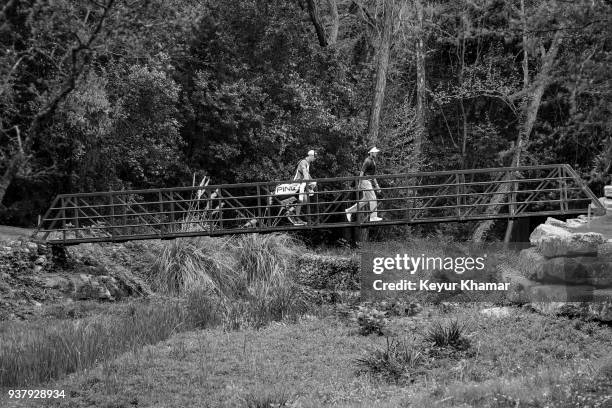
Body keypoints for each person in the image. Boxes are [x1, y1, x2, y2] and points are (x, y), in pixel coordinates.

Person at [345, 147, 383, 222]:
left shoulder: (372, 162)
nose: (376, 153)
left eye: (376, 152)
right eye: (375, 152)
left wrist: (377, 185)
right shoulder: (367, 161)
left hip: (367, 182)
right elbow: (361, 173)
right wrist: (359, 184)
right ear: (371, 153)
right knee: (373, 198)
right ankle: (373, 217)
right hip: (365, 181)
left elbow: (373, 176)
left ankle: (349, 211)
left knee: (366, 200)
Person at [292, 149, 317, 224]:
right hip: (297, 183)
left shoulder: (307, 163)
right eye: (314, 157)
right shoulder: (303, 162)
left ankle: (292, 212)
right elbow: (305, 174)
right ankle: (295, 216)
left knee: (305, 201)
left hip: (302, 184)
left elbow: (308, 176)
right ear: (310, 156)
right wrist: (310, 183)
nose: (315, 159)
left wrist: (312, 183)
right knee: (302, 200)